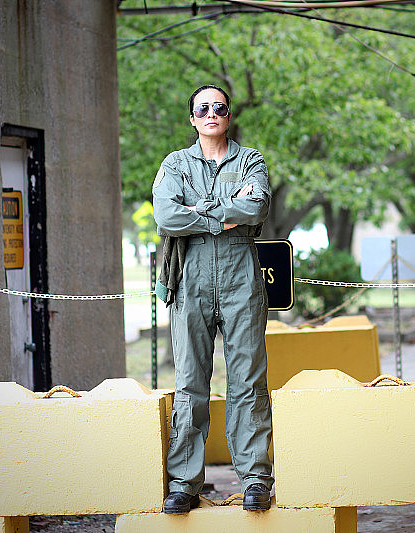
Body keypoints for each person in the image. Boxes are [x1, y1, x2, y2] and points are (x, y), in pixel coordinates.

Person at [152, 85, 274, 513]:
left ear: (228, 115)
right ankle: (184, 482)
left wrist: (200, 212)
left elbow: (257, 208)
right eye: (202, 108)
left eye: (219, 108)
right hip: (191, 279)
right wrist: (224, 212)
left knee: (247, 379)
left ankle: (256, 478)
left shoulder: (251, 160)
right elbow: (167, 215)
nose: (211, 113)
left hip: (242, 278)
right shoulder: (175, 164)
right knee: (190, 382)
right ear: (192, 118)